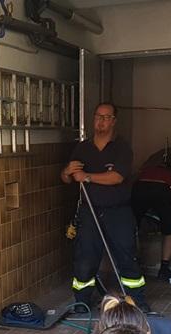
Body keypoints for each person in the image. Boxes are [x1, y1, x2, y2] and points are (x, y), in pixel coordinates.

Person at [61, 103, 149, 312]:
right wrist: (66, 171)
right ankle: (82, 302)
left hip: (118, 211)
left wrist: (87, 177)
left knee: (126, 255)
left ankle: (136, 302)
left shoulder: (122, 148)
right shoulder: (83, 148)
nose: (100, 121)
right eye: (97, 116)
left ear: (113, 121)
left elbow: (116, 177)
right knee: (85, 258)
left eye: (106, 117)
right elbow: (67, 178)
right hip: (89, 211)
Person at [131, 144, 171, 280]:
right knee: (170, 230)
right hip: (162, 188)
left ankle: (131, 264)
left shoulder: (156, 155)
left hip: (140, 186)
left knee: (133, 227)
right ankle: (164, 269)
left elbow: (140, 170)